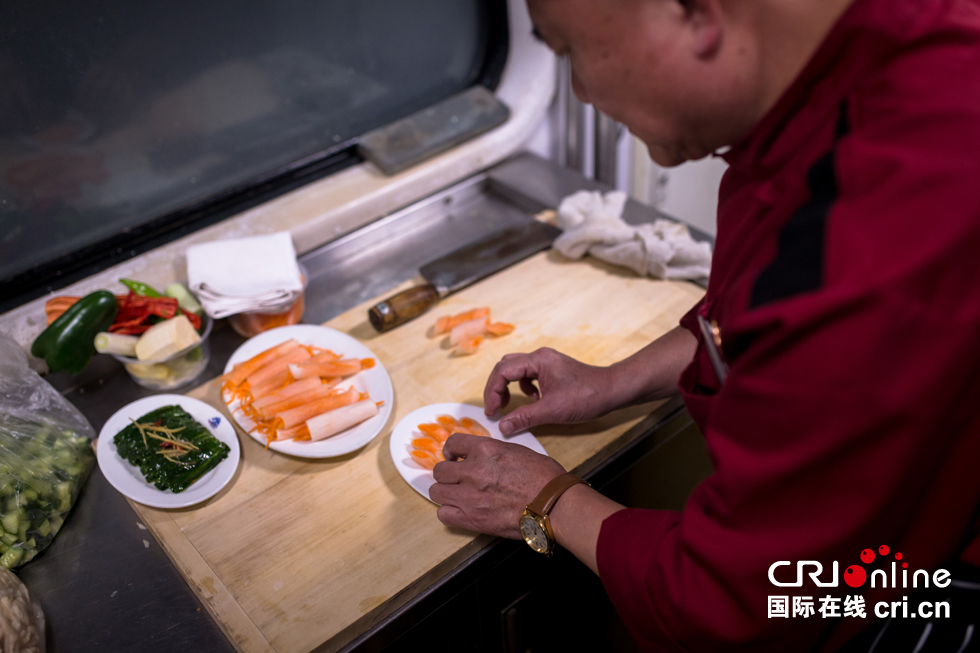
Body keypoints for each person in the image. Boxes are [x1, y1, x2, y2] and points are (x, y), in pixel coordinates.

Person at [428, 0, 980, 650]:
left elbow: (741, 603)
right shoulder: (847, 69)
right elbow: (750, 314)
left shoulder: (872, 234)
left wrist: (546, 497)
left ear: (695, 13)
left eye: (571, 52)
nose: (578, 90)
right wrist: (611, 381)